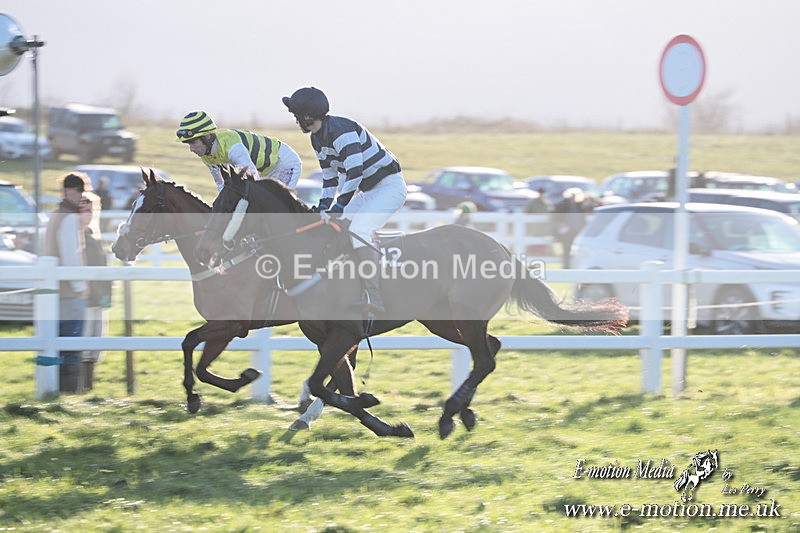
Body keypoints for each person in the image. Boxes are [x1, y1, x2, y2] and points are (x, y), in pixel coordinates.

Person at [282, 86, 408, 315]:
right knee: (334, 227)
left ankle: (374, 297)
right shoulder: (317, 138)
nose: (295, 119)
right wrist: (324, 208)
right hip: (368, 192)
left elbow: (355, 173)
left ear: (307, 116)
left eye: (296, 115)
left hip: (389, 188)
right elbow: (330, 177)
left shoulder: (342, 131)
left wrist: (339, 206)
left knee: (359, 229)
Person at [175, 110, 302, 192]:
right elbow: (221, 185)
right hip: (264, 170)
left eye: (193, 142)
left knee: (273, 207)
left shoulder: (232, 145)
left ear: (207, 137)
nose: (191, 149)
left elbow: (252, 176)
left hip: (283, 163)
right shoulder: (206, 155)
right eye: (188, 144)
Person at [44, 173, 90, 393]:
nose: (80, 195)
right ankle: (69, 392)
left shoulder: (56, 215)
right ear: (71, 191)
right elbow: (71, 256)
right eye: (79, 191)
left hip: (55, 291)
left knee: (56, 344)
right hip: (70, 293)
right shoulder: (70, 218)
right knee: (71, 346)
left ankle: (53, 390)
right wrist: (81, 287)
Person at [79, 198, 112, 392]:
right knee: (85, 341)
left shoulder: (95, 238)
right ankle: (81, 385)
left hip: (99, 298)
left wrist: (106, 294)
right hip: (86, 299)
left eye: (90, 210)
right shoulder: (79, 239)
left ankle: (88, 386)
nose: (88, 214)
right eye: (84, 210)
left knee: (96, 341)